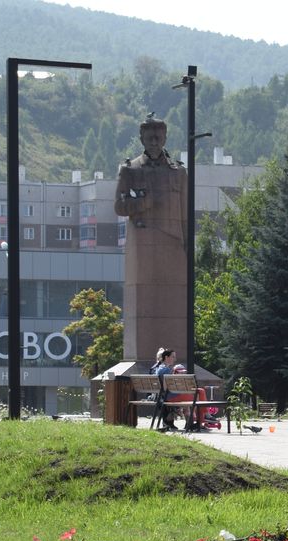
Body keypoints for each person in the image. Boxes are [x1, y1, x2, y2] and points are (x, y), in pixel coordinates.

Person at [115, 116, 188, 363]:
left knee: (176, 306)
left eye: (159, 137)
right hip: (144, 245)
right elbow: (119, 206)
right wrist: (143, 203)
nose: (155, 142)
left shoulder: (179, 172)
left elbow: (186, 214)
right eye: (150, 138)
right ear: (142, 139)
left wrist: (188, 246)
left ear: (166, 137)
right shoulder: (131, 169)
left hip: (174, 244)